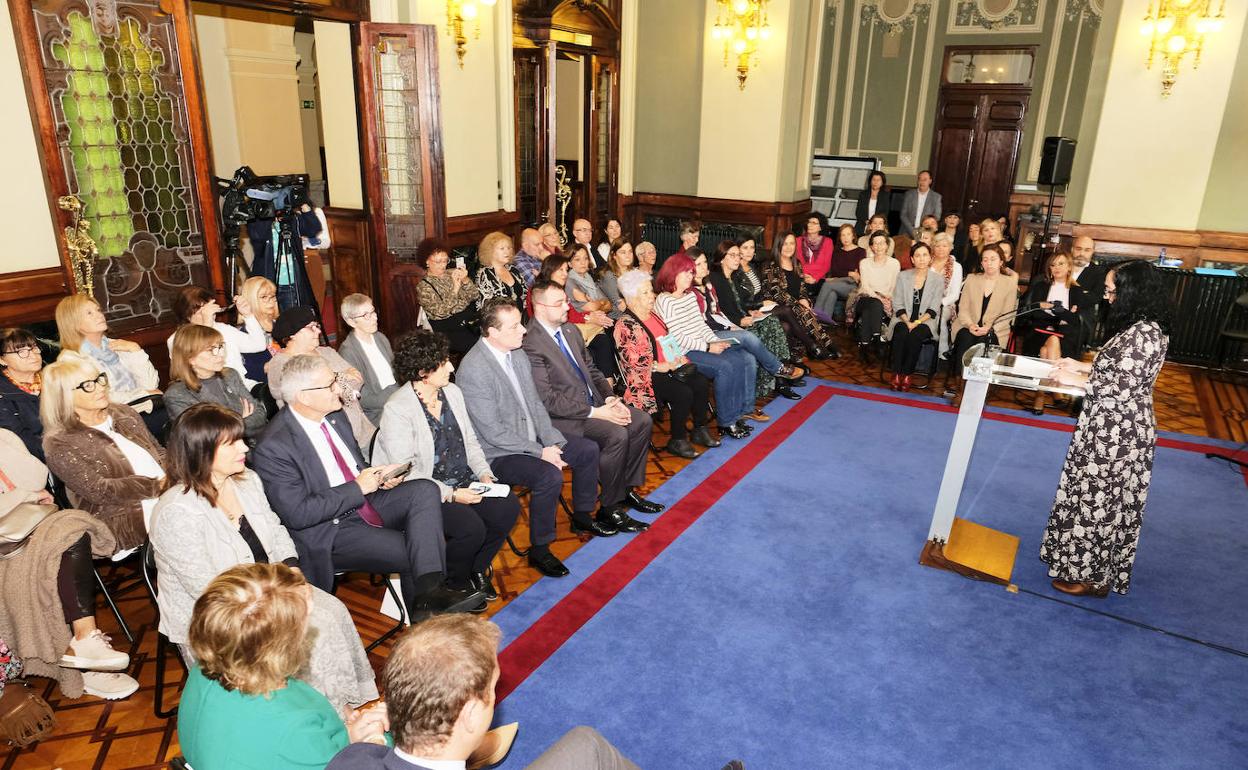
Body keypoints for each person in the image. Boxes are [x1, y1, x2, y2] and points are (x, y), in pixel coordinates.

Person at [150, 403, 377, 709]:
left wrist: (293, 575)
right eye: (232, 443)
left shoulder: (247, 481)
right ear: (201, 451)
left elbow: (275, 529)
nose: (245, 447)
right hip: (221, 615)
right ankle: (314, 714)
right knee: (310, 631)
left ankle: (342, 707)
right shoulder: (177, 512)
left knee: (331, 611)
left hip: (268, 589)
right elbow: (207, 589)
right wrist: (277, 604)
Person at [250, 353, 486, 616]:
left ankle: (429, 595)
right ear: (304, 397)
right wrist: (359, 487)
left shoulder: (335, 417)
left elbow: (354, 467)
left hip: (363, 502)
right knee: (415, 551)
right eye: (330, 385)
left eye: (336, 380)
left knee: (425, 489)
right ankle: (428, 609)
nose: (340, 388)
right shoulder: (274, 446)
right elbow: (299, 514)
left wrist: (379, 477)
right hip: (330, 528)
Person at [327, 615, 643, 770]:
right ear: (472, 714)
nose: (496, 698)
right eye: (493, 690)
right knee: (588, 744)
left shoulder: (354, 757)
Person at [176, 563, 391, 770]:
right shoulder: (293, 725)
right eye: (304, 623)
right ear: (282, 647)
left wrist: (349, 735)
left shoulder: (207, 668)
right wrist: (376, 742)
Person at [1040, 260, 1171, 597]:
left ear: (1133, 292)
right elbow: (1114, 369)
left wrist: (1074, 379)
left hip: (1118, 433)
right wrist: (1080, 366)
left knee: (1100, 503)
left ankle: (1090, 578)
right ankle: (1084, 568)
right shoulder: (1139, 327)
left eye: (1114, 291)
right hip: (1107, 426)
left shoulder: (1146, 333)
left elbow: (1121, 388)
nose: (1108, 296)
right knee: (1092, 497)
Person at [372, 331, 521, 601]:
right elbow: (407, 471)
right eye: (443, 362)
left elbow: (471, 441)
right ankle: (454, 581)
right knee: (470, 528)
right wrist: (451, 494)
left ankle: (475, 569)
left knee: (507, 508)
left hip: (464, 479)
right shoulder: (398, 408)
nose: (452, 367)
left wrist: (484, 473)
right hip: (426, 491)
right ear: (422, 371)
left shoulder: (452, 392)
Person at [456, 300, 606, 564]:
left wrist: (553, 443)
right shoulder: (474, 369)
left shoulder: (516, 352)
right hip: (498, 453)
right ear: (492, 332)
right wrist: (542, 452)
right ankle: (541, 548)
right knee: (548, 476)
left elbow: (535, 404)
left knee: (586, 450)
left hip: (529, 436)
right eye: (515, 326)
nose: (524, 331)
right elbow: (493, 433)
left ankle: (582, 516)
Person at [0, 428, 138, 701]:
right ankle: (86, 655)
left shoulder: (5, 437)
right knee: (67, 530)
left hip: (31, 529)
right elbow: (30, 492)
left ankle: (85, 642)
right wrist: (26, 496)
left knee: (70, 528)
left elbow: (37, 478)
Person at [524, 279, 659, 532]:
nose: (567, 306)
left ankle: (625, 490)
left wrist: (609, 398)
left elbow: (593, 370)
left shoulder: (570, 331)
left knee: (641, 420)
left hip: (595, 404)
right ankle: (610, 507)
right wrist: (598, 412)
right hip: (564, 418)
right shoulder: (531, 343)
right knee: (616, 434)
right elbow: (548, 400)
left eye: (565, 300)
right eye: (560, 303)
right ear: (540, 307)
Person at [41, 354, 164, 554]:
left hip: (166, 493)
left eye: (99, 379)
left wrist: (179, 474)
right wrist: (158, 486)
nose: (99, 388)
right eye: (87, 385)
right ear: (64, 397)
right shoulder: (59, 442)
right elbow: (99, 491)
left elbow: (157, 451)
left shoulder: (123, 413)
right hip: (125, 515)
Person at [654, 254, 757, 440]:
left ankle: (736, 414)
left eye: (691, 272)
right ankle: (726, 423)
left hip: (701, 345)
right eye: (685, 271)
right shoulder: (666, 300)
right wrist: (707, 347)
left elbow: (701, 326)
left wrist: (713, 341)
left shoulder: (690, 296)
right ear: (672, 273)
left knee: (741, 358)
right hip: (683, 352)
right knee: (725, 367)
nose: (690, 275)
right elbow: (677, 337)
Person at [615, 271, 715, 459]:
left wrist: (677, 357)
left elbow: (667, 339)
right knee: (682, 393)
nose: (652, 296)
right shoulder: (625, 325)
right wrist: (659, 366)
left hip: (668, 365)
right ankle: (677, 440)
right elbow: (632, 362)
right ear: (630, 298)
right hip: (646, 375)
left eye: (650, 291)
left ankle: (699, 429)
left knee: (700, 382)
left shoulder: (653, 315)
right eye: (645, 293)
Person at [267, 305, 375, 454]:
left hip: (364, 431)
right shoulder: (281, 364)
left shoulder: (326, 352)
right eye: (311, 327)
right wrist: (341, 377)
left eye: (317, 325)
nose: (318, 331)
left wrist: (334, 382)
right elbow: (311, 397)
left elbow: (358, 378)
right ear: (292, 335)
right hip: (329, 443)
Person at [55, 294, 165, 438]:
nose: (99, 315)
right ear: (72, 322)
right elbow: (101, 397)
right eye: (89, 313)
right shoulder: (71, 359)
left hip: (143, 408)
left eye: (98, 310)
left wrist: (135, 349)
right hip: (110, 419)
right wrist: (143, 394)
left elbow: (151, 384)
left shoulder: (117, 345)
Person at [704, 241, 800, 401]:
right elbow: (718, 312)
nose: (737, 259)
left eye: (738, 255)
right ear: (722, 258)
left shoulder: (732, 277)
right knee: (768, 330)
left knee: (774, 323)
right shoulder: (715, 279)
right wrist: (741, 321)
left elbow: (740, 303)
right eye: (732, 255)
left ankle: (780, 377)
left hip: (743, 319)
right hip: (730, 326)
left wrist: (751, 312)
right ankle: (780, 374)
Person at [739, 236, 834, 360]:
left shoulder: (752, 268)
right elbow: (772, 293)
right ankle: (813, 345)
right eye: (745, 248)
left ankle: (792, 358)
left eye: (752, 247)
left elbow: (802, 288)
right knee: (789, 310)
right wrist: (760, 303)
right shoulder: (740, 271)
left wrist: (804, 299)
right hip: (760, 308)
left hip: (765, 307)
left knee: (786, 325)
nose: (749, 251)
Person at [165, 325, 268, 440]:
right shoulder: (177, 395)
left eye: (220, 346)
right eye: (211, 350)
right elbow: (204, 437)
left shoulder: (230, 375)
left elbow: (260, 413)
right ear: (190, 359)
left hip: (256, 443)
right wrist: (241, 422)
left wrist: (231, 427)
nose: (220, 354)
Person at [1019, 252, 1088, 415]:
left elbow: (1074, 320)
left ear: (1069, 267)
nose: (1056, 268)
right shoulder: (1040, 287)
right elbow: (1035, 314)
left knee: (1046, 350)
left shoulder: (1077, 292)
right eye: (1053, 264)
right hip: (1038, 333)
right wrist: (1061, 314)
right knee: (1051, 341)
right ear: (1049, 268)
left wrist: (1050, 310)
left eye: (1061, 264)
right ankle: (1056, 390)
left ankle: (1040, 396)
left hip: (1065, 337)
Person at [535, 254, 618, 381]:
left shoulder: (560, 288)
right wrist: (589, 317)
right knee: (599, 332)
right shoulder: (539, 291)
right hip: (556, 333)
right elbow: (559, 317)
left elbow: (572, 313)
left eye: (566, 270)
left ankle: (609, 390)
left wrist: (590, 317)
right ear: (550, 270)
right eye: (560, 270)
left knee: (602, 340)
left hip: (571, 327)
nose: (565, 274)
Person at [949, 244, 1019, 393]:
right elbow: (963, 308)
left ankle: (976, 389)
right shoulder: (972, 279)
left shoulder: (1009, 283)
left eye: (993, 259)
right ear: (981, 263)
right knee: (964, 338)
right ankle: (961, 387)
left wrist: (990, 328)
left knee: (983, 343)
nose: (989, 263)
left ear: (1001, 262)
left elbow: (1008, 314)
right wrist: (970, 325)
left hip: (995, 329)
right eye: (985, 260)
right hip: (968, 325)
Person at [168, 287, 268, 391]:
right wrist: (207, 326)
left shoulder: (223, 328)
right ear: (187, 316)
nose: (209, 315)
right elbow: (197, 364)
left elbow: (259, 345)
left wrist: (248, 315)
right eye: (201, 312)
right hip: (210, 392)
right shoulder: (176, 339)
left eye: (210, 310)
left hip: (242, 386)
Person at [885, 243, 943, 391]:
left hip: (926, 321)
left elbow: (933, 308)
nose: (921, 259)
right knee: (901, 332)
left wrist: (916, 322)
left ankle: (907, 374)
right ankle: (896, 373)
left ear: (930, 258)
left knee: (915, 336)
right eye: (917, 255)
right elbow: (897, 303)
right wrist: (907, 321)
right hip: (902, 318)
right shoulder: (903, 276)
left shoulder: (937, 280)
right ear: (912, 259)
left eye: (925, 255)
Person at [337, 293, 400, 427]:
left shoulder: (380, 337)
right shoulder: (348, 352)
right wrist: (399, 390)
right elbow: (364, 399)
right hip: (378, 413)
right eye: (366, 315)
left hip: (397, 399)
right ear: (351, 322)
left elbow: (397, 371)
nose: (375, 318)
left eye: (373, 312)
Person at [416, 238, 480, 354]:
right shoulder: (424, 286)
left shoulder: (451, 273)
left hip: (467, 320)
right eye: (438, 261)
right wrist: (455, 289)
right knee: (478, 345)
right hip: (447, 329)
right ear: (427, 261)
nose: (443, 265)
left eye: (445, 261)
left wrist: (465, 279)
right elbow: (441, 312)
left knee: (492, 335)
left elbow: (474, 295)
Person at [850, 231, 902, 356]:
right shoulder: (864, 262)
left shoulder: (894, 263)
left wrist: (887, 298)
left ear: (887, 245)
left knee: (869, 311)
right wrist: (879, 298)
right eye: (875, 243)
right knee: (875, 303)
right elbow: (866, 287)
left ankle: (864, 345)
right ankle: (878, 339)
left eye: (882, 243)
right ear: (871, 246)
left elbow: (894, 286)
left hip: (886, 298)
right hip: (865, 297)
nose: (878, 246)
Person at [0, 328, 47, 460]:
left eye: (33, 348)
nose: (33, 355)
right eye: (21, 351)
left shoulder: (53, 378)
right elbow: (21, 440)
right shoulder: (3, 395)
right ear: (2, 360)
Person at [814, 224, 864, 322]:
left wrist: (845, 275)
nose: (846, 238)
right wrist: (849, 273)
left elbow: (858, 275)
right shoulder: (837, 252)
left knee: (827, 285)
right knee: (832, 292)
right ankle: (825, 321)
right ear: (840, 237)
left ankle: (814, 314)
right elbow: (835, 270)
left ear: (853, 236)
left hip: (853, 286)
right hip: (838, 284)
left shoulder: (861, 252)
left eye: (848, 234)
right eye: (843, 235)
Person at [238, 275, 281, 386]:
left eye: (272, 296)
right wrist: (267, 367)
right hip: (267, 386)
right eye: (264, 297)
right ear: (251, 301)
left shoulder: (281, 324)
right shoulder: (245, 333)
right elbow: (247, 373)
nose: (271, 301)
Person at [474, 231, 528, 316]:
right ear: (490, 251)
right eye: (502, 248)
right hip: (499, 322)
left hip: (521, 318)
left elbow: (525, 295)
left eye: (509, 248)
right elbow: (486, 307)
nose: (507, 252)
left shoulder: (513, 270)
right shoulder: (485, 274)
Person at [930, 232, 964, 358]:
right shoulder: (926, 262)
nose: (941, 249)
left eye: (945, 246)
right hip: (923, 301)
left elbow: (955, 295)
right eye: (938, 246)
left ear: (951, 247)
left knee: (939, 317)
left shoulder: (956, 267)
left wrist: (939, 303)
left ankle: (942, 351)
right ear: (933, 247)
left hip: (946, 304)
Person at [1070, 234, 1108, 330]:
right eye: (1078, 249)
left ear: (1092, 252)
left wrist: (1068, 293)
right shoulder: (1061, 266)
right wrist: (1082, 293)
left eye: (1087, 250)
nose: (1082, 253)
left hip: (1080, 322)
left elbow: (1095, 297)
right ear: (1072, 249)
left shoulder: (1099, 273)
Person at [566, 247, 614, 318]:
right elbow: (592, 308)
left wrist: (598, 304)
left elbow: (609, 305)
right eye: (577, 259)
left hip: (601, 321)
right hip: (584, 326)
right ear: (569, 264)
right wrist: (601, 303)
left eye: (585, 258)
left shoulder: (589, 278)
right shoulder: (569, 282)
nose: (583, 262)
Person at [597, 239, 635, 317]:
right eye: (623, 252)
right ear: (614, 255)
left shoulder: (634, 272)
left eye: (630, 251)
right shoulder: (609, 275)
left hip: (634, 313)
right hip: (617, 319)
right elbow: (621, 306)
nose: (628, 255)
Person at [899, 170, 942, 239]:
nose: (921, 182)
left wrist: (924, 229)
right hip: (907, 232)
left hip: (926, 234)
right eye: (920, 179)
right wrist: (913, 231)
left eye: (925, 179)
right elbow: (903, 215)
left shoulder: (936, 197)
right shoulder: (909, 194)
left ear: (930, 181)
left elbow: (937, 216)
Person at [797, 212, 834, 285]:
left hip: (819, 278)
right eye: (809, 222)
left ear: (820, 227)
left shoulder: (828, 242)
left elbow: (827, 265)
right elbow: (795, 263)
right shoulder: (798, 241)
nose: (810, 225)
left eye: (814, 223)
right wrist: (803, 275)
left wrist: (815, 278)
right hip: (801, 277)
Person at [854, 169, 890, 234]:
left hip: (878, 227)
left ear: (882, 182)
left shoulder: (885, 195)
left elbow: (885, 213)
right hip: (862, 226)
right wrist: (867, 222)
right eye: (873, 180)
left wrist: (874, 223)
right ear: (870, 181)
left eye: (878, 180)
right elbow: (858, 212)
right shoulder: (863, 194)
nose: (875, 182)